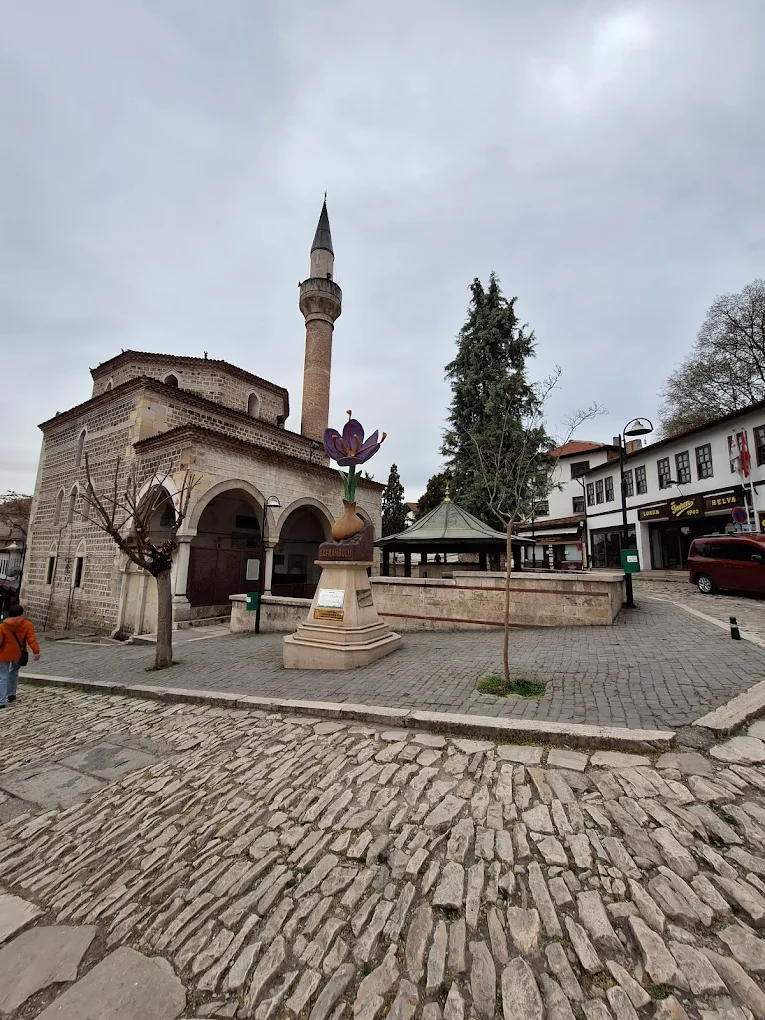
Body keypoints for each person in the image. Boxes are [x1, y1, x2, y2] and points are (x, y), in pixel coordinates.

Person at [0, 604, 40, 708]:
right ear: (21, 614)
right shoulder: (27, 625)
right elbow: (31, 639)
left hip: (3, 654)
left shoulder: (3, 626)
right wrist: (36, 652)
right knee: (14, 672)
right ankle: (11, 694)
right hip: (18, 653)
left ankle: (1, 701)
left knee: (3, 676)